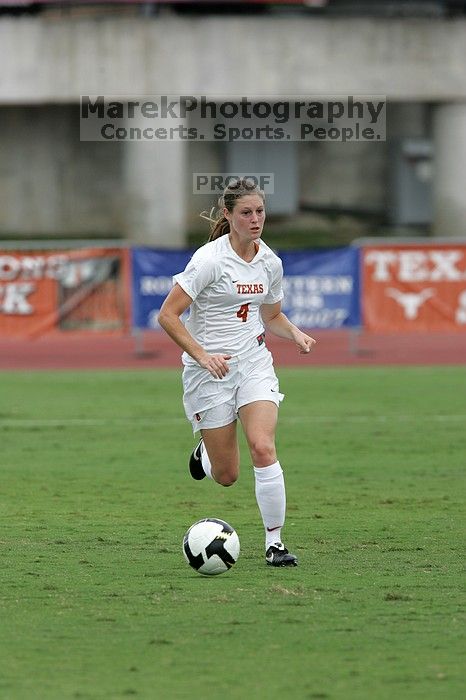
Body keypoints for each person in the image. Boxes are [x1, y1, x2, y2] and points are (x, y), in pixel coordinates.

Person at [158, 178, 316, 567]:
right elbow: (168, 315)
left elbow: (272, 315)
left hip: (254, 363)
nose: (255, 219)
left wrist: (294, 332)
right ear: (228, 215)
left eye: (260, 211)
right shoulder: (209, 260)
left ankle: (275, 543)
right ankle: (207, 454)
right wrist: (201, 354)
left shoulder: (270, 262)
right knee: (227, 474)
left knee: (263, 447)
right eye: (246, 212)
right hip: (208, 372)